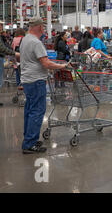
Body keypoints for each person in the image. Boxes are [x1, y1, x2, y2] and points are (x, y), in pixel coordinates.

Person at [20, 17, 69, 154]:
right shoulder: (36, 42)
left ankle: (29, 139)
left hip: (28, 80)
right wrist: (63, 66)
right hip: (36, 81)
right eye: (43, 28)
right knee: (37, 111)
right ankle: (29, 144)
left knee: (30, 110)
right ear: (40, 28)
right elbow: (46, 63)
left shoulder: (26, 39)